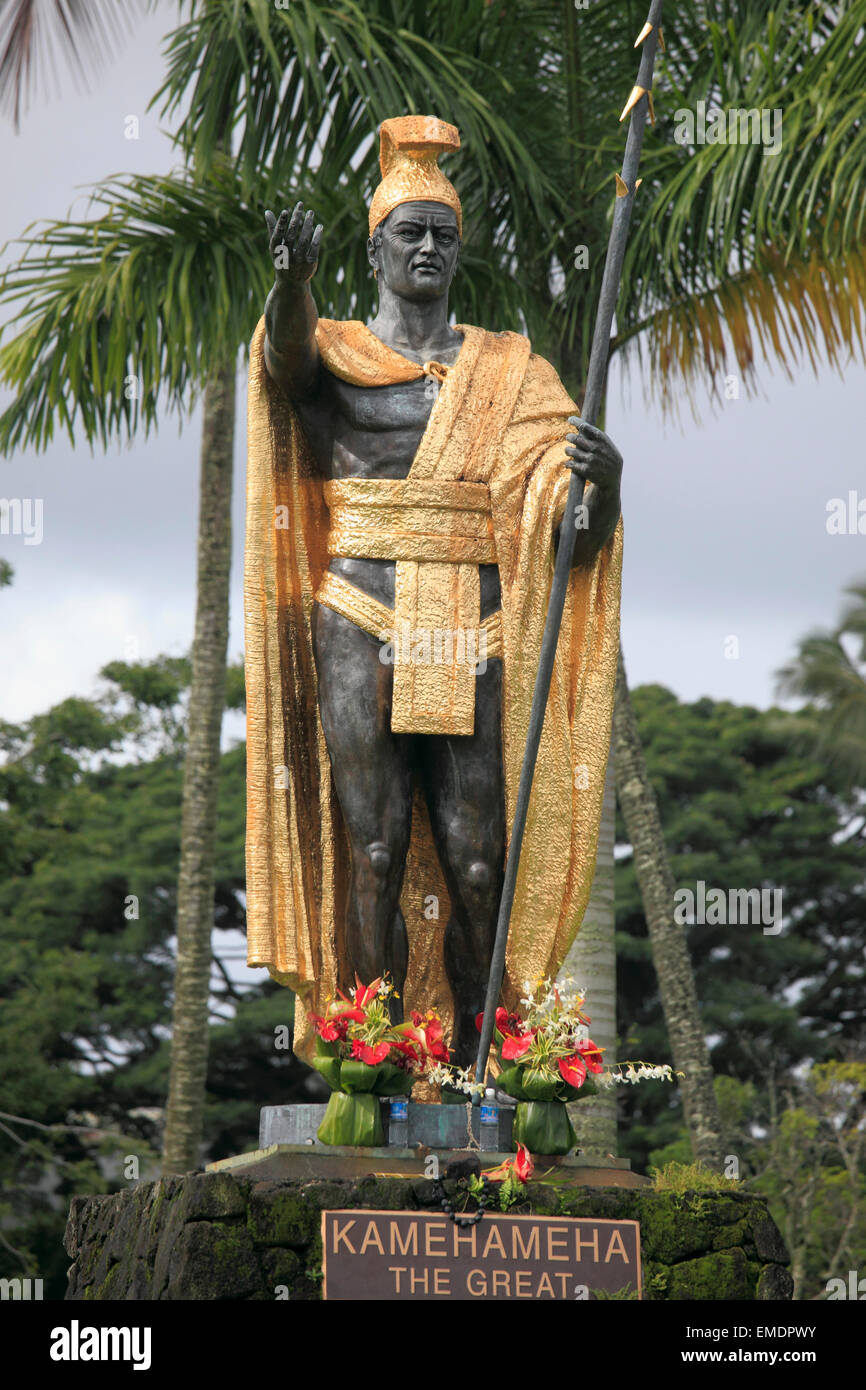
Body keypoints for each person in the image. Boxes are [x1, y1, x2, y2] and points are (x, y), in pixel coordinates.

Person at [244, 116, 623, 1068]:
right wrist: (291, 285)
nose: (425, 248)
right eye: (409, 232)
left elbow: (567, 538)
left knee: (480, 864)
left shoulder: (510, 368)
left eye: (441, 235)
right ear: (375, 248)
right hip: (359, 612)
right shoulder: (332, 350)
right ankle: (373, 1064)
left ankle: (475, 1072)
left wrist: (602, 488)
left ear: (459, 251)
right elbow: (283, 366)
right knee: (370, 855)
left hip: (477, 623)